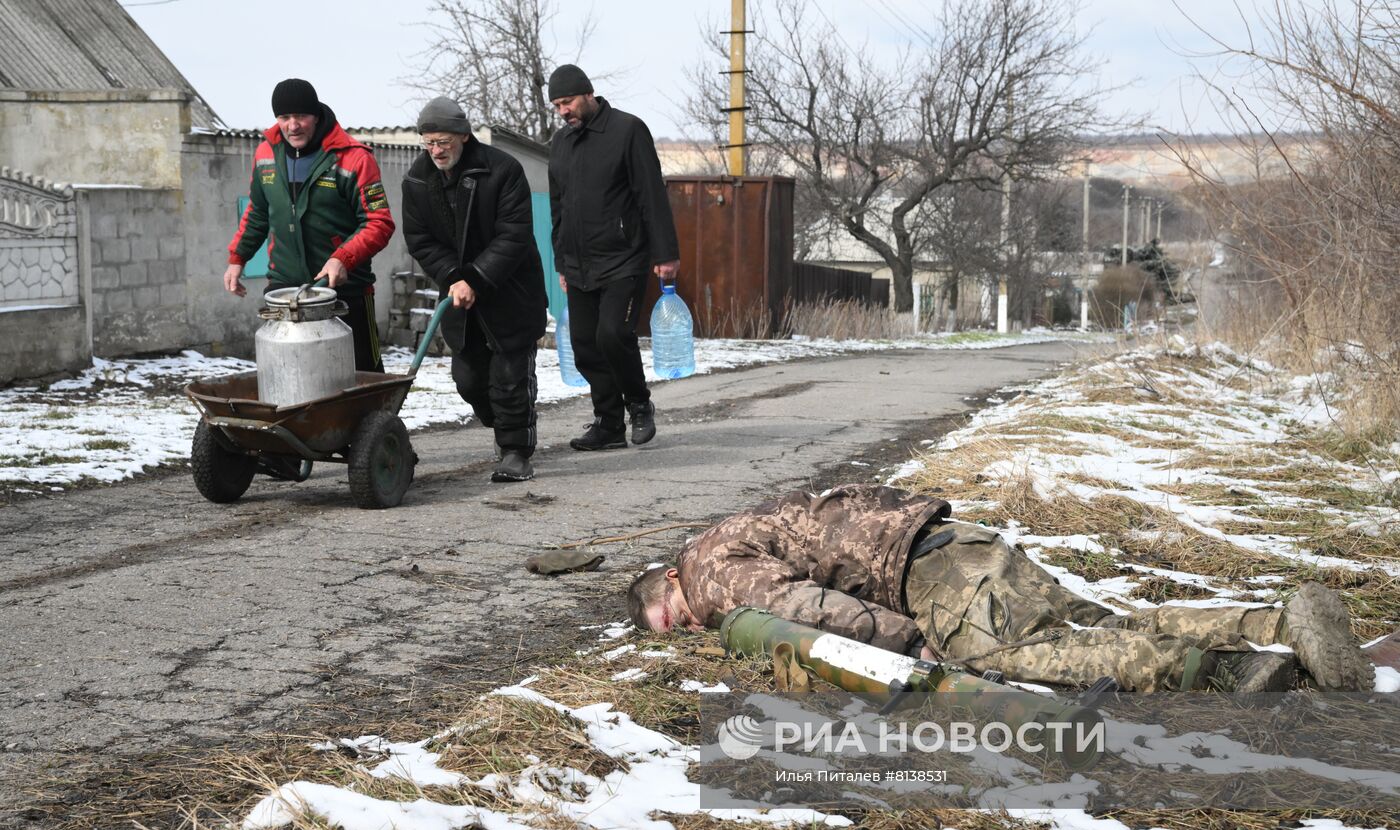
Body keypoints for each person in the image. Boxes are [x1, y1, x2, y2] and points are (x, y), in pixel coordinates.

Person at [628, 484, 1375, 693]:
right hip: (962, 543)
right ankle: (1276, 620)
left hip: (931, 575)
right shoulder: (730, 533)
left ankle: (1221, 672)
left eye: (672, 618)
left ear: (669, 580)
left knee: (1007, 658)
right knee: (1092, 620)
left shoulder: (709, 571)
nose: (688, 626)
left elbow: (810, 610)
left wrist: (914, 646)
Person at [400, 97, 548, 483]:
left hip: (511, 291)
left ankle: (516, 451)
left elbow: (514, 235)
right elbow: (420, 239)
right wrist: (453, 276)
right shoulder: (418, 179)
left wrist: (477, 278)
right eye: (428, 143)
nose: (435, 151)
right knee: (468, 379)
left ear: (463, 136)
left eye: (443, 141)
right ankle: (500, 423)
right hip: (459, 298)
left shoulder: (501, 170)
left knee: (510, 377)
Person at [547, 64, 680, 451]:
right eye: (556, 105)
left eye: (567, 102)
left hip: (624, 257)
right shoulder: (561, 143)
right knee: (585, 344)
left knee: (613, 334)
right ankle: (608, 424)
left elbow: (651, 193)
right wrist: (561, 263)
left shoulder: (627, 130)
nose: (563, 112)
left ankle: (639, 405)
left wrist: (666, 252)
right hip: (579, 263)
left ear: (588, 94)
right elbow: (558, 209)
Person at [225, 78, 395, 373]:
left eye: (301, 116)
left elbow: (379, 222)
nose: (293, 126)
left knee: (362, 376)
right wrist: (238, 258)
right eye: (284, 117)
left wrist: (343, 258)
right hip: (285, 289)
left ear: (316, 115)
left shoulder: (353, 158)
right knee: (287, 375)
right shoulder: (265, 154)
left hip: (345, 290)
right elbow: (258, 213)